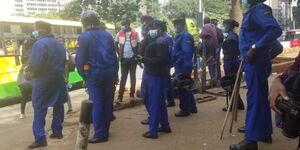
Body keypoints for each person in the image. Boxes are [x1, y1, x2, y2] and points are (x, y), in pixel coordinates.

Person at [229, 0, 282, 150]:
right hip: (254, 62)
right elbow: (277, 46)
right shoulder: (252, 11)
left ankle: (251, 140)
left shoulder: (260, 9)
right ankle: (264, 132)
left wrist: (255, 49)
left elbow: (275, 30)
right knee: (260, 98)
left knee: (254, 99)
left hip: (255, 63)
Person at [75, 10, 118, 143]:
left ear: (84, 22)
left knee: (97, 103)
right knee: (107, 102)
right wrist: (115, 73)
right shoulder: (107, 35)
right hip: (109, 71)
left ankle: (100, 134)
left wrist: (84, 76)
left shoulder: (84, 37)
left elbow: (80, 60)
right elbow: (114, 57)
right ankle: (104, 130)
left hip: (94, 74)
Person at [28, 21, 68, 149]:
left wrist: (30, 73)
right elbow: (64, 61)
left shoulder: (39, 44)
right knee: (58, 105)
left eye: (36, 29)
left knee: (39, 107)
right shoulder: (59, 44)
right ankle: (57, 132)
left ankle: (40, 139)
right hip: (58, 79)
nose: (35, 31)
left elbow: (35, 64)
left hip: (43, 81)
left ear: (42, 29)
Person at [136, 20, 171, 139]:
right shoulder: (152, 39)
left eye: (152, 27)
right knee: (157, 101)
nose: (150, 29)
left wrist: (144, 60)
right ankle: (165, 126)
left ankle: (153, 131)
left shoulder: (161, 41)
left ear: (160, 29)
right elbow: (144, 48)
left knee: (154, 102)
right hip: (150, 73)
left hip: (156, 75)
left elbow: (160, 60)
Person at [172, 18, 197, 117]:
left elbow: (187, 53)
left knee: (182, 86)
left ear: (182, 25)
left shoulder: (185, 36)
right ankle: (192, 107)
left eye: (176, 25)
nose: (175, 27)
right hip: (179, 64)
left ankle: (185, 109)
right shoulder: (179, 36)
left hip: (183, 64)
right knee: (186, 86)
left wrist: (186, 67)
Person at [115, 19, 140, 105]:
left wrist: (137, 55)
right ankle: (120, 97)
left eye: (124, 24)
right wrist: (119, 54)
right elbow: (116, 44)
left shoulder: (135, 33)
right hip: (124, 59)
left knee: (133, 77)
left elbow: (139, 45)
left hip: (133, 59)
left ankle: (132, 96)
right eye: (122, 24)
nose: (122, 26)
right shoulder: (119, 33)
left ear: (128, 24)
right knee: (123, 78)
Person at [221, 19, 245, 111]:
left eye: (226, 25)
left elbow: (232, 51)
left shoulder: (231, 38)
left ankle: (232, 105)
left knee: (230, 84)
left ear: (230, 26)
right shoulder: (233, 36)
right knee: (233, 84)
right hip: (232, 61)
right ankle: (238, 104)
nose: (225, 27)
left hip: (230, 62)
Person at [199, 18, 220, 86]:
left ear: (204, 22)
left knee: (209, 62)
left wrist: (199, 35)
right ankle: (217, 79)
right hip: (215, 46)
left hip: (209, 46)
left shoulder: (205, 26)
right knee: (215, 63)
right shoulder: (213, 26)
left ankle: (212, 79)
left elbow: (202, 35)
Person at [57, 37, 73, 114]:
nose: (60, 42)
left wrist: (66, 77)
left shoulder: (64, 51)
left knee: (65, 91)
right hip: (57, 74)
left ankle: (70, 108)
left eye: (61, 41)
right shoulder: (56, 51)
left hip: (63, 74)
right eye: (58, 41)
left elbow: (66, 65)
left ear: (63, 42)